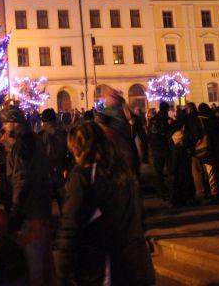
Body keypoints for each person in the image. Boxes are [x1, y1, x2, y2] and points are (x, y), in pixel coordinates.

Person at [56, 122, 155, 286]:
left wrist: (61, 274)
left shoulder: (83, 176)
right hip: (133, 265)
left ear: (78, 147)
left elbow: (69, 227)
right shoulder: (124, 172)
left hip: (102, 266)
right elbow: (139, 217)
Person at [0, 105, 52, 285]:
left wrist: (15, 209)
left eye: (5, 123)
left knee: (32, 257)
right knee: (43, 256)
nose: (4, 128)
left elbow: (20, 178)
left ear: (13, 123)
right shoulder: (34, 139)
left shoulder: (22, 144)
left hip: (30, 208)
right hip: (40, 204)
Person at [38, 109, 68, 215]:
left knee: (46, 203)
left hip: (45, 171)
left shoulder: (40, 134)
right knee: (63, 201)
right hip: (61, 169)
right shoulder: (63, 132)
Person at [147, 101, 173, 201]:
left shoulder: (152, 120)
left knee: (158, 172)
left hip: (155, 149)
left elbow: (149, 134)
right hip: (166, 148)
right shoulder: (167, 120)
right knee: (170, 171)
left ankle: (161, 193)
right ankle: (171, 192)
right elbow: (169, 133)